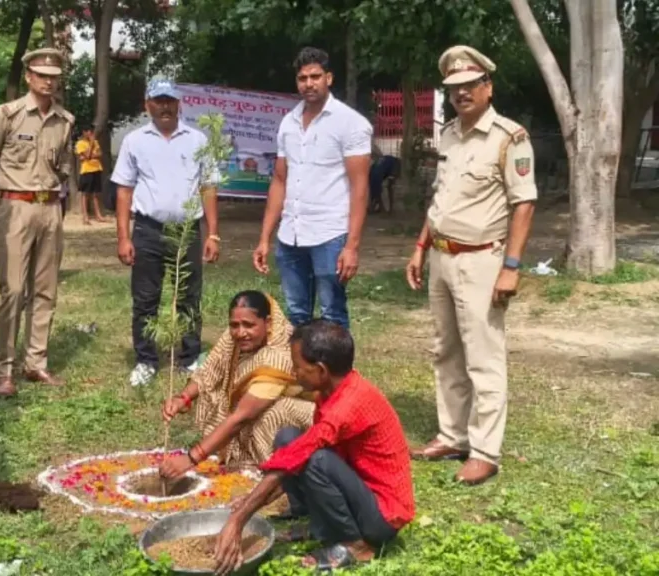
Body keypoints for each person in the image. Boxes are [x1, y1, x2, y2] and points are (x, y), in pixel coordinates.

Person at [406, 46, 537, 486]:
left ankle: (485, 450)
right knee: (446, 350)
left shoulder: (508, 137)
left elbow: (524, 204)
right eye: (454, 88)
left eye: (469, 86)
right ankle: (452, 434)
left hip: (483, 258)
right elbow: (441, 197)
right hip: (442, 255)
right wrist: (421, 246)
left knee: (483, 354)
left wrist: (512, 266)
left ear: (487, 87)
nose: (461, 94)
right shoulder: (448, 135)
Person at [212, 320, 414, 574]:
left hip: (383, 516)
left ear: (320, 370)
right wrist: (256, 500)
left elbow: (299, 457)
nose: (295, 373)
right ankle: (319, 524)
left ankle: (356, 545)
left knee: (314, 458)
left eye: (298, 367)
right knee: (288, 437)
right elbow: (293, 454)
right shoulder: (330, 392)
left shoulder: (348, 405)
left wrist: (238, 518)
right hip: (359, 491)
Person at [252, 47, 372, 330]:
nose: (309, 83)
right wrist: (264, 238)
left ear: (328, 78)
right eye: (303, 78)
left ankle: (339, 375)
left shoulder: (350, 123)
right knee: (295, 314)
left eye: (315, 76)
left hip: (329, 235)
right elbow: (280, 180)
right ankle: (301, 373)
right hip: (290, 235)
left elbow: (360, 189)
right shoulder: (288, 123)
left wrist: (352, 246)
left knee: (332, 315)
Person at [112, 77, 221, 388]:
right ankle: (146, 360)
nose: (164, 106)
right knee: (145, 299)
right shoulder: (135, 141)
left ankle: (189, 358)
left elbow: (209, 187)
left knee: (189, 297)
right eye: (158, 101)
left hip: (187, 231)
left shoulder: (198, 140)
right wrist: (123, 236)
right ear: (148, 105)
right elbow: (124, 191)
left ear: (179, 104)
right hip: (147, 230)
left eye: (169, 100)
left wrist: (213, 234)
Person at [0, 47, 75, 396]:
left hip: (50, 207)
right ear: (29, 77)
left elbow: (64, 168)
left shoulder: (64, 121)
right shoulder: (6, 115)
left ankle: (35, 363)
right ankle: (3, 369)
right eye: (42, 75)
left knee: (45, 289)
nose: (48, 81)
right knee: (13, 290)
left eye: (54, 76)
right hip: (15, 206)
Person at [157, 290, 315, 479]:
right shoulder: (239, 330)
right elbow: (211, 367)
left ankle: (275, 467)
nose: (241, 333)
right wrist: (183, 398)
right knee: (228, 398)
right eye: (234, 325)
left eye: (249, 326)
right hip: (252, 408)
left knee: (273, 411)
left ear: (268, 323)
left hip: (306, 419)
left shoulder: (278, 356)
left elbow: (242, 417)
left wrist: (191, 458)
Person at [76, 127, 107, 224]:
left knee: (96, 193)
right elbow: (87, 156)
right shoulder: (80, 143)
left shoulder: (96, 142)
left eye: (91, 132)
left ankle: (98, 215)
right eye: (88, 131)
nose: (90, 133)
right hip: (86, 170)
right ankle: (85, 216)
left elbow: (100, 154)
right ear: (84, 132)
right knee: (85, 194)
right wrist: (91, 145)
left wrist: (91, 155)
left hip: (97, 168)